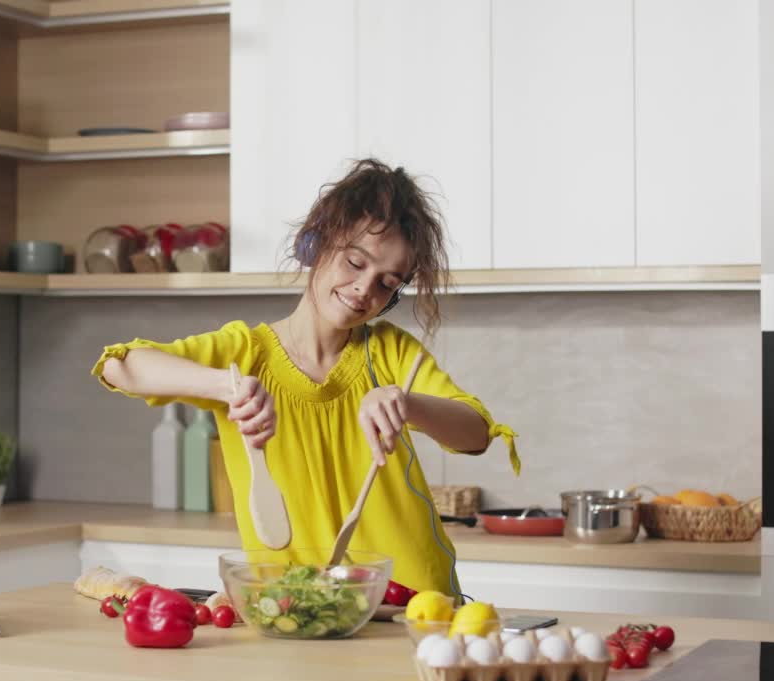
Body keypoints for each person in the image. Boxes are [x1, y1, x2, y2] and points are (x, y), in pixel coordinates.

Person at [92, 158, 519, 596]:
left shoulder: (390, 353)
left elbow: (476, 432)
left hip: (410, 599)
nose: (364, 289)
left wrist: (405, 403)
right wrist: (225, 386)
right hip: (295, 602)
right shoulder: (244, 352)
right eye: (355, 262)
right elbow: (120, 365)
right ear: (316, 244)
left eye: (386, 283)